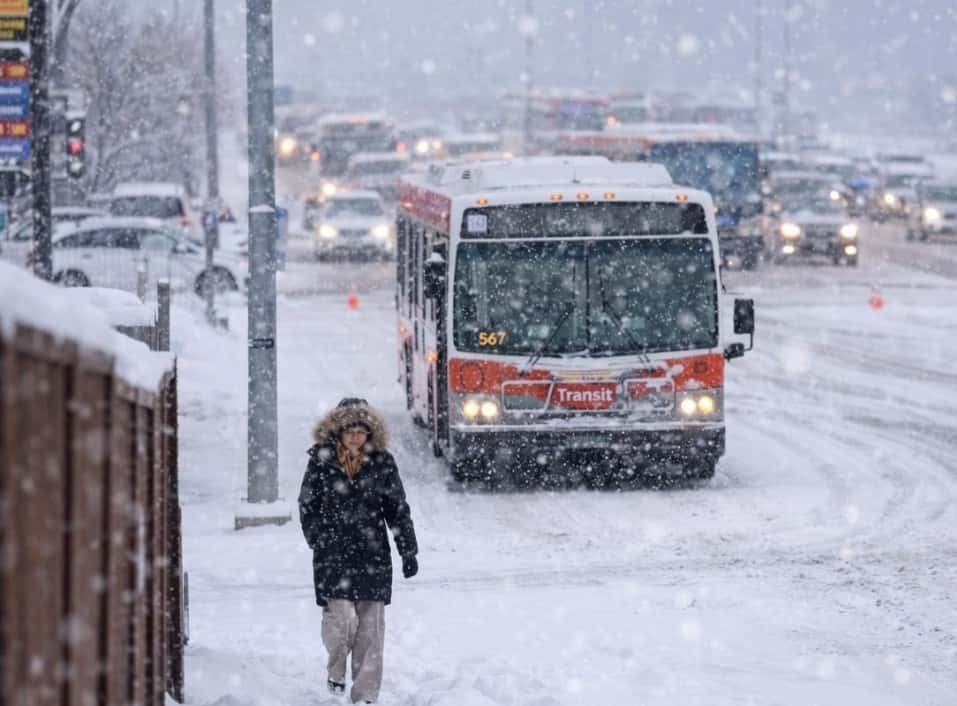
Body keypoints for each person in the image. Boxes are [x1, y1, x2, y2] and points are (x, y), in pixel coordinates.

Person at [299, 398, 419, 704]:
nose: (355, 436)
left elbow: (396, 508)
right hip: (333, 555)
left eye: (361, 430)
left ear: (369, 433)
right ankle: (336, 669)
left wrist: (407, 550)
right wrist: (318, 538)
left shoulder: (382, 462)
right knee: (341, 623)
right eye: (349, 430)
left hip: (372, 554)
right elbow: (308, 505)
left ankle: (365, 695)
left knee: (370, 631)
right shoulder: (321, 461)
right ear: (338, 432)